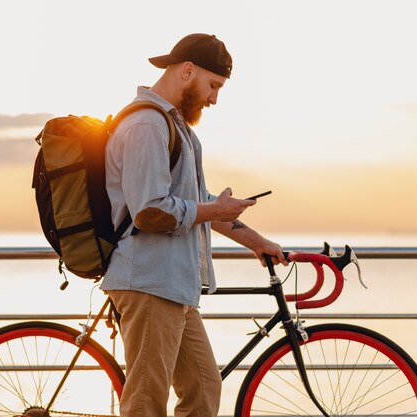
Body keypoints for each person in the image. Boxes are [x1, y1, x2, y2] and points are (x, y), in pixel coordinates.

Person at [100, 33, 288, 417]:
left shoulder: (177, 128)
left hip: (175, 285)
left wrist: (257, 242)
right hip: (149, 282)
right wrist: (213, 211)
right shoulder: (146, 125)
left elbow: (199, 202)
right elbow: (149, 212)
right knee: (146, 402)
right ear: (188, 71)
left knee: (203, 388)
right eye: (213, 85)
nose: (214, 99)